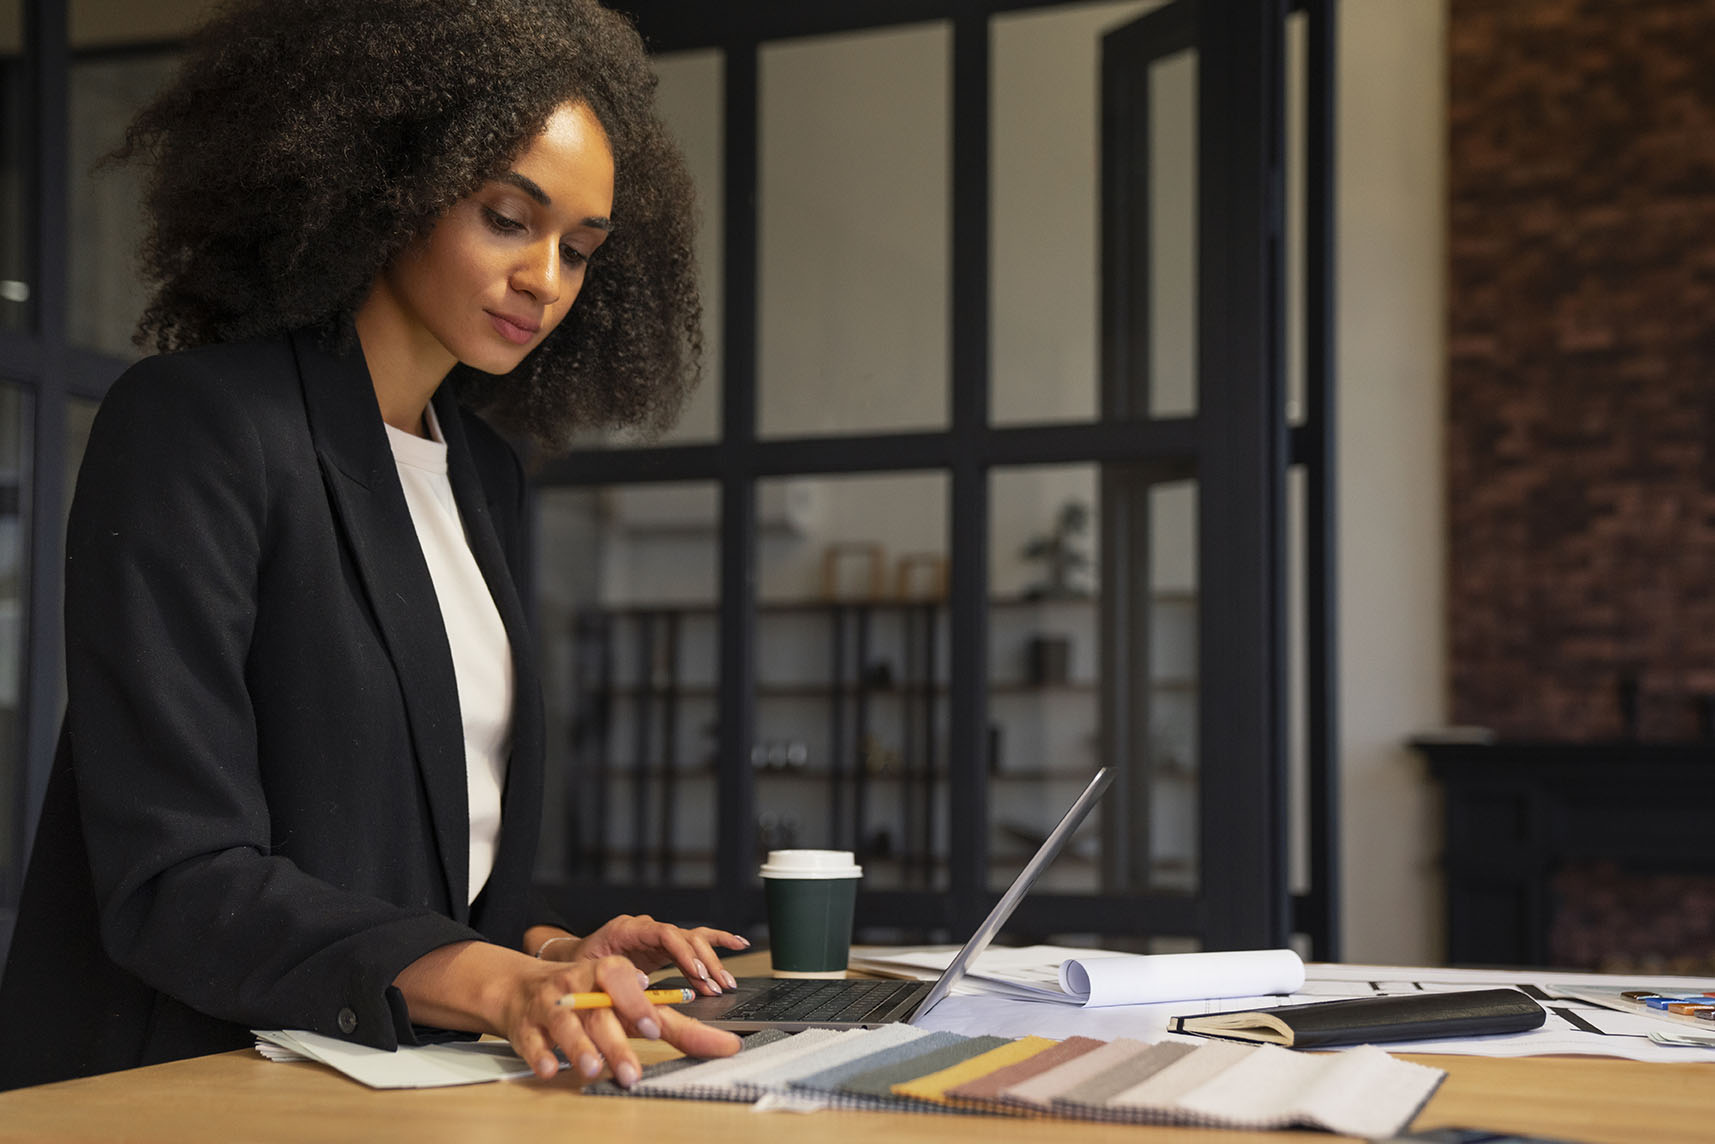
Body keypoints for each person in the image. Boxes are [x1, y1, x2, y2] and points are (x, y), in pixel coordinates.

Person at [0, 0, 744, 1091]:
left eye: (579, 250)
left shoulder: (480, 474)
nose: (546, 277)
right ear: (388, 182)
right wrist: (495, 983)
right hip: (180, 1081)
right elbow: (179, 875)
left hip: (397, 1083)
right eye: (507, 217)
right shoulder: (197, 424)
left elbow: (412, 861)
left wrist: (544, 951)